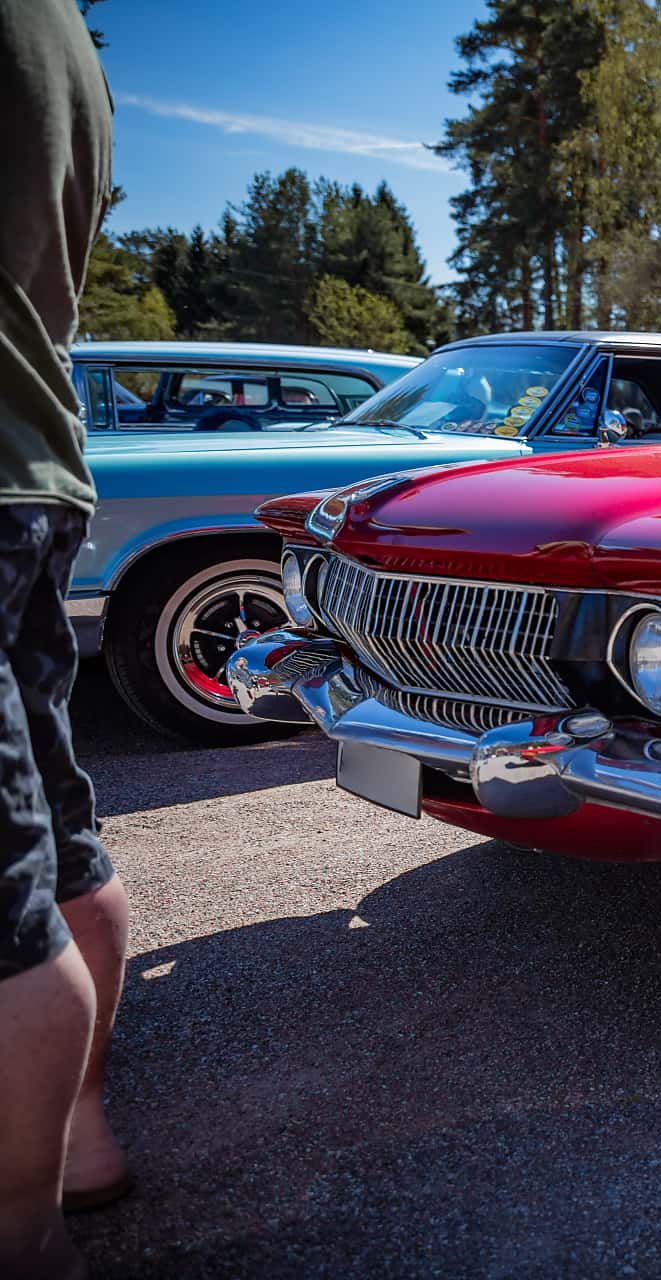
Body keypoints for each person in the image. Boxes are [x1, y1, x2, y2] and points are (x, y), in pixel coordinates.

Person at [0, 3, 127, 1278]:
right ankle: (77, 1135)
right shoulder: (66, 36)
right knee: (57, 830)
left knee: (2, 900)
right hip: (38, 458)